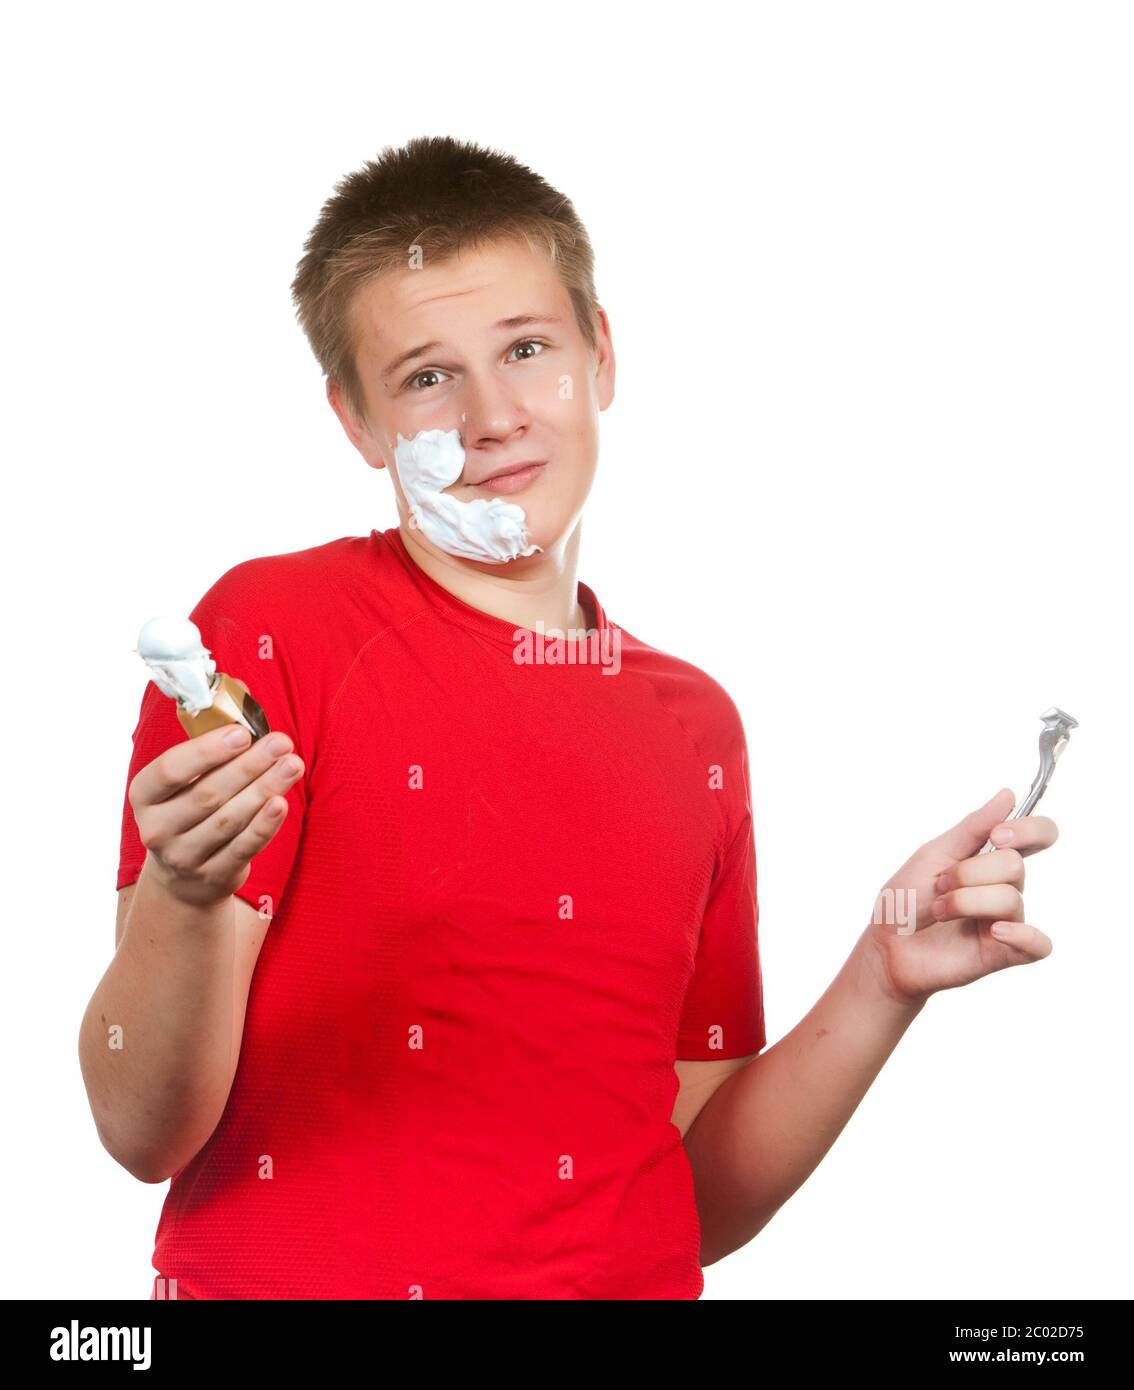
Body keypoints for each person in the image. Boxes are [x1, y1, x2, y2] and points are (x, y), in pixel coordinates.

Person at [79, 135, 1057, 1301]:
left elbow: (696, 1197)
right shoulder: (267, 632)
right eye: (427, 377)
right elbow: (142, 1131)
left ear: (601, 355)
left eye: (528, 350)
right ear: (357, 421)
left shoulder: (695, 727)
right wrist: (182, 901)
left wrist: (881, 978)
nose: (493, 416)